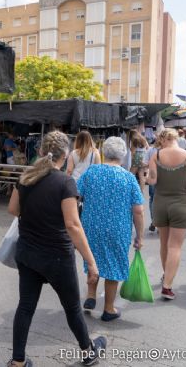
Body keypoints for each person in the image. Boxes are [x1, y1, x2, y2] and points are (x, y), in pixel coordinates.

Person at [6, 131, 106, 367]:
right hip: (56, 256)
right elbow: (72, 224)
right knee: (72, 308)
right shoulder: (65, 182)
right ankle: (88, 351)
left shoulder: (27, 177)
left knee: (26, 306)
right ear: (65, 155)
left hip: (28, 253)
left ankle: (18, 361)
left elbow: (12, 209)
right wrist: (91, 262)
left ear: (42, 152)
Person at [78, 137, 144, 321]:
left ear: (104, 153)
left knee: (93, 259)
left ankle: (91, 296)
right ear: (123, 156)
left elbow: (75, 194)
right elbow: (138, 211)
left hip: (91, 225)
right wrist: (139, 236)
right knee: (113, 267)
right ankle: (108, 308)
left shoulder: (91, 172)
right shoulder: (129, 178)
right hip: (118, 228)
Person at [147, 129, 186, 300]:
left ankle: (166, 273)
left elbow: (152, 180)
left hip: (160, 204)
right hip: (181, 204)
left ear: (162, 139)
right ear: (176, 138)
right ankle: (167, 285)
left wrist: (146, 176)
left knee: (164, 244)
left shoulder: (156, 156)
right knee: (175, 247)